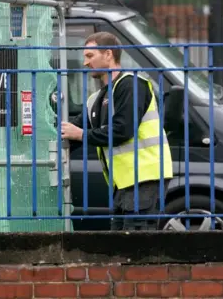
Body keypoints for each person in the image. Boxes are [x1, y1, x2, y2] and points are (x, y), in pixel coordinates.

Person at [60, 31, 173, 231]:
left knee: (136, 245)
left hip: (144, 178)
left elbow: (122, 130)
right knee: (120, 245)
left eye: (90, 56)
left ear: (108, 54)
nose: (85, 63)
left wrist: (81, 134)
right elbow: (72, 131)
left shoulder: (131, 85)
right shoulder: (95, 99)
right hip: (122, 182)